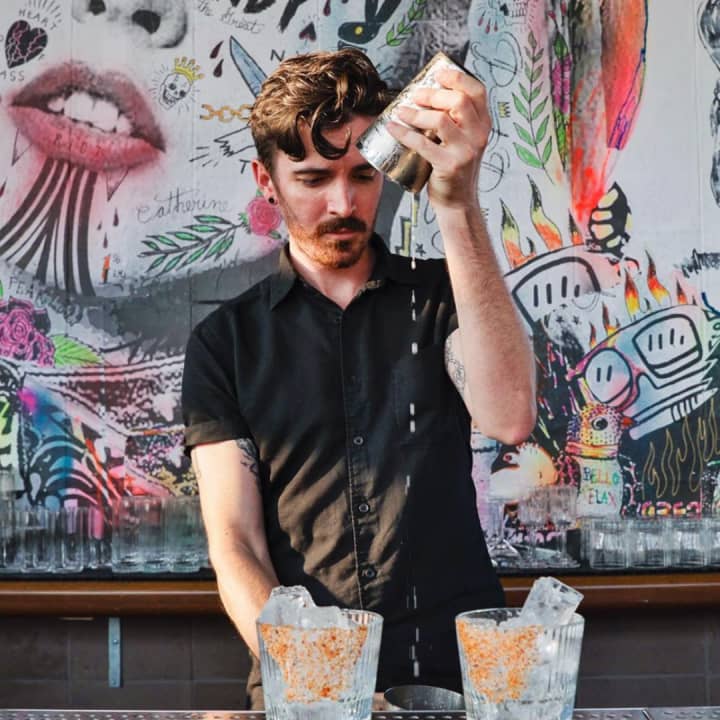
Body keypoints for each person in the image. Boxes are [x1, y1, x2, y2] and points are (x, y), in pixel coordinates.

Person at [181, 48, 536, 708]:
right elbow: (236, 543)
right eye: (313, 179)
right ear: (266, 180)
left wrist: (457, 199)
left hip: (452, 685)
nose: (343, 203)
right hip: (302, 690)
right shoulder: (225, 344)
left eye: (363, 175)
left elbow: (510, 415)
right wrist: (317, 682)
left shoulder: (445, 299)